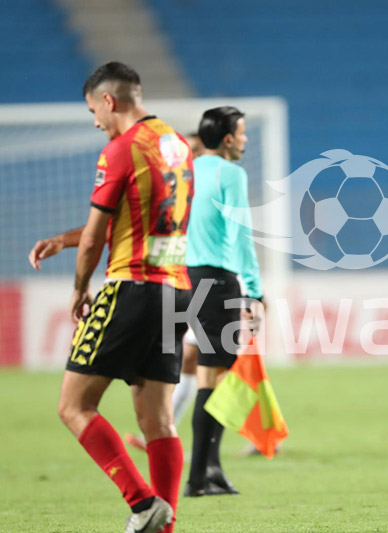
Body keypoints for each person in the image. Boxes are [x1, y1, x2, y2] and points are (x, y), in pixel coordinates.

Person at [28, 62, 193, 533]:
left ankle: (143, 504)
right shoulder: (177, 146)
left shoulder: (120, 150)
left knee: (73, 406)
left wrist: (80, 289)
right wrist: (66, 239)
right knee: (158, 420)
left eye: (92, 111)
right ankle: (165, 525)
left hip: (131, 289)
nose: (94, 122)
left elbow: (99, 232)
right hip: (174, 290)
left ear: (108, 101)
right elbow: (138, 218)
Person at [183, 106, 265, 497]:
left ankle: (210, 468)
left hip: (184, 278)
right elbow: (240, 234)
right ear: (229, 138)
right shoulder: (231, 173)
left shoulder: (188, 169)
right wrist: (253, 289)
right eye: (243, 133)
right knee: (216, 380)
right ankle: (199, 475)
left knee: (210, 376)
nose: (246, 139)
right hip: (216, 281)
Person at [124, 131, 206, 453]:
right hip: (179, 282)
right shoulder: (172, 193)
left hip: (206, 283)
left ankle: (163, 434)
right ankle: (162, 433)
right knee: (190, 361)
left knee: (202, 363)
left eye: (197, 150)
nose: (192, 157)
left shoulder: (209, 190)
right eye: (190, 151)